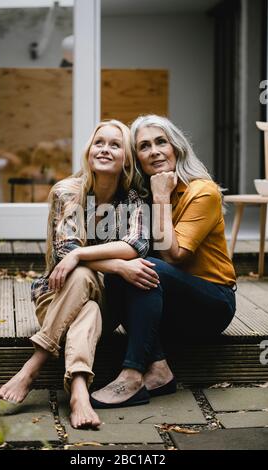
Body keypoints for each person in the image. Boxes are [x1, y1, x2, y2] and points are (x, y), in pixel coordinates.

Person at [0, 119, 150, 428]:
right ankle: (79, 391)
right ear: (89, 150)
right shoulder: (67, 191)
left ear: (126, 159)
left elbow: (137, 244)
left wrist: (82, 254)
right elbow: (66, 249)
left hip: (110, 303)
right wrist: (117, 264)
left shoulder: (134, 198)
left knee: (86, 280)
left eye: (115, 145)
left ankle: (33, 364)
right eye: (99, 142)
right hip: (55, 298)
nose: (105, 149)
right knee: (84, 291)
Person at [90, 114, 237, 408]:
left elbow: (175, 255)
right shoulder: (139, 195)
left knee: (148, 268)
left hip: (211, 304)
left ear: (176, 148)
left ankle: (132, 373)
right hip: (165, 305)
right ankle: (158, 369)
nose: (154, 151)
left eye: (161, 142)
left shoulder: (201, 191)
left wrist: (160, 199)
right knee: (124, 272)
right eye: (144, 146)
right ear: (137, 158)